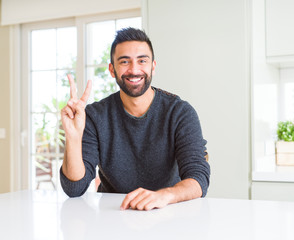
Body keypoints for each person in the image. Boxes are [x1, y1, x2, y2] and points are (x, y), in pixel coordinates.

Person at [60, 27, 210, 211]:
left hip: (168, 212)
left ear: (153, 67)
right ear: (112, 69)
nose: (134, 69)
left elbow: (199, 179)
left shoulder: (180, 113)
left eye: (142, 60)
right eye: (124, 62)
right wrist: (73, 138)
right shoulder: (94, 115)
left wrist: (164, 196)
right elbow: (74, 188)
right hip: (114, 215)